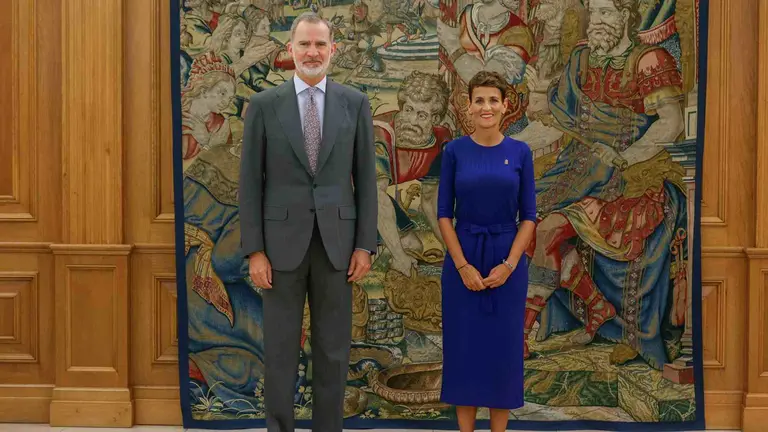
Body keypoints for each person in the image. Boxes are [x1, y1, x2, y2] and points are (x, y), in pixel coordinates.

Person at [238, 11, 378, 432]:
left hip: (339, 246)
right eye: (304, 44)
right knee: (280, 349)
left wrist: (364, 245)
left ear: (332, 49)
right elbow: (250, 183)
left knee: (333, 351)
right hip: (279, 248)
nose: (312, 52)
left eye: (320, 44)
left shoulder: (355, 103)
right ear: (290, 51)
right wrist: (255, 250)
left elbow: (367, 180)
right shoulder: (264, 106)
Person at [437, 70, 537, 432]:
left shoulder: (520, 152)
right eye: (479, 99)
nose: (486, 106)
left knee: (502, 353)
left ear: (506, 106)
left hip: (506, 258)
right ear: (468, 106)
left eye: (493, 99)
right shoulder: (454, 151)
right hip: (463, 256)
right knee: (464, 350)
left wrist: (509, 265)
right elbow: (444, 215)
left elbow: (528, 217)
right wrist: (461, 265)